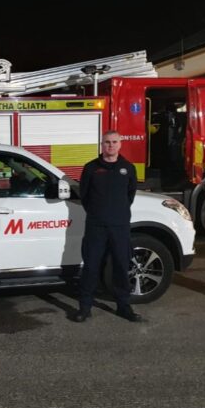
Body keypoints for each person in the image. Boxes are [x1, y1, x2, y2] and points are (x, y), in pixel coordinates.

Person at [72, 131, 142, 323]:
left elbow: (130, 195)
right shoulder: (91, 168)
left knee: (121, 266)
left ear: (120, 145)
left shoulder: (128, 168)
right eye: (107, 142)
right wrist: (98, 213)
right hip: (96, 227)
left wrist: (116, 214)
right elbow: (84, 196)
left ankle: (124, 306)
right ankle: (84, 308)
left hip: (119, 227)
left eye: (114, 142)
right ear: (101, 145)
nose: (110, 146)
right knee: (91, 267)